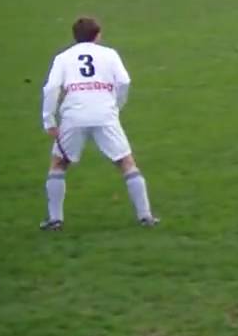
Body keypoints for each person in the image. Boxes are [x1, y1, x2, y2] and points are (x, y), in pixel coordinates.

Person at [39, 17, 158, 230]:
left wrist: (49, 119)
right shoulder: (109, 54)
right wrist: (116, 105)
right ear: (97, 35)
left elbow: (51, 88)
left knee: (58, 164)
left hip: (74, 115)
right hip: (105, 114)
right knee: (126, 162)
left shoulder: (63, 57)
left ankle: (55, 220)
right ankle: (145, 216)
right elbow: (124, 82)